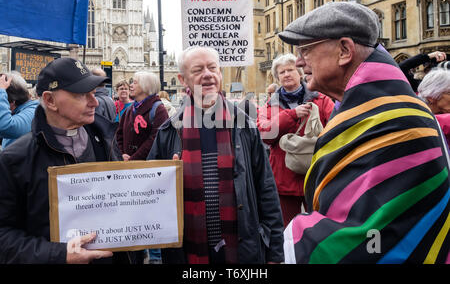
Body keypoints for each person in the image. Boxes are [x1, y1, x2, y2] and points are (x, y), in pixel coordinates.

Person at [278, 1, 449, 264]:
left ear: (345, 50)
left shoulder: (397, 117)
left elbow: (373, 237)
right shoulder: (368, 109)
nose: (300, 61)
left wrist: (295, 240)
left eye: (306, 50)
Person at [147, 46, 284, 264]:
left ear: (220, 73)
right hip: (189, 252)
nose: (208, 74)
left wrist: (275, 253)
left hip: (241, 252)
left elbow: (266, 189)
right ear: (183, 79)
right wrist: (168, 181)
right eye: (198, 70)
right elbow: (151, 196)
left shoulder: (244, 126)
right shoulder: (169, 131)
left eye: (213, 67)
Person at [0, 57, 142, 263]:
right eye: (82, 95)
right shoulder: (15, 159)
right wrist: (59, 255)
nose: (94, 102)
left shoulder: (107, 141)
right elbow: (4, 237)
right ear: (50, 100)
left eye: (93, 93)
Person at [257, 54, 334, 226]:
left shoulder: (320, 99)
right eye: (282, 72)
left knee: (319, 225)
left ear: (299, 73)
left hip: (316, 174)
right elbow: (264, 134)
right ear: (277, 78)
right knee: (286, 229)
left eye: (290, 70)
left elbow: (336, 126)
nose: (286, 74)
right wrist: (291, 115)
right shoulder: (270, 105)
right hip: (284, 179)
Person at [116, 71, 168, 161]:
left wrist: (133, 159)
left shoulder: (159, 110)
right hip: (127, 168)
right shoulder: (129, 109)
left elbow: (155, 140)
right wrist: (121, 154)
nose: (130, 85)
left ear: (146, 86)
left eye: (135, 83)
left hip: (147, 170)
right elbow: (119, 135)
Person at [0, 71, 39, 149]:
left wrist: (1, 91)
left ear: (12, 103)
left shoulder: (34, 112)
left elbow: (6, 127)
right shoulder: (18, 112)